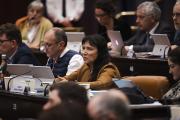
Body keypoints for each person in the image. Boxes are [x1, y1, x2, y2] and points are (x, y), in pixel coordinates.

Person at [55, 34, 121, 90]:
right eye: (83, 48)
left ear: (100, 52)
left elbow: (101, 84)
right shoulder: (86, 66)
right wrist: (58, 81)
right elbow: (68, 78)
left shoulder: (109, 68)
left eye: (89, 49)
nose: (84, 52)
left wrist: (72, 84)